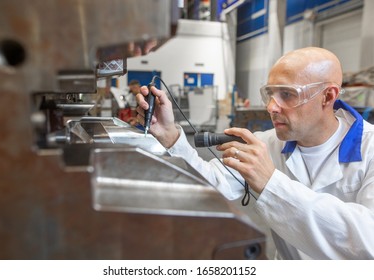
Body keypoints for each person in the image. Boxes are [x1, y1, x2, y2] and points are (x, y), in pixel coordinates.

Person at [135, 47, 374, 259]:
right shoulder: (267, 143)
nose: (271, 106)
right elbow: (210, 185)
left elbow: (367, 241)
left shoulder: (370, 147)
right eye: (270, 94)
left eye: (287, 94)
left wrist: (271, 183)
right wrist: (170, 136)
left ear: (328, 96)